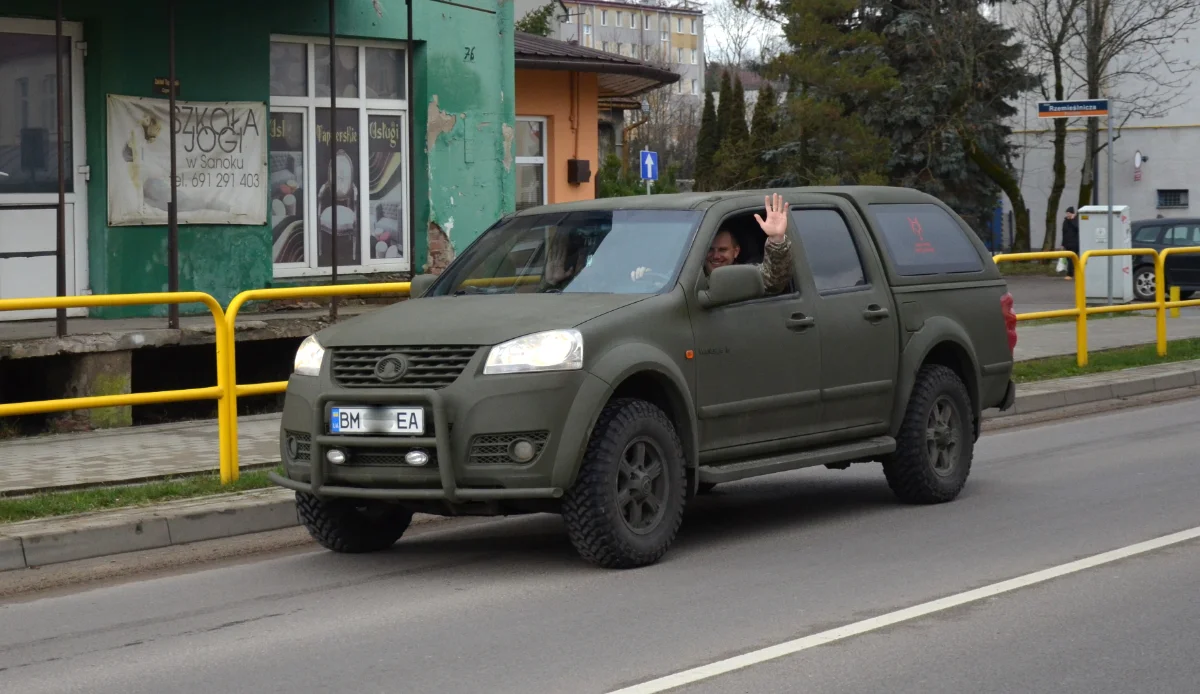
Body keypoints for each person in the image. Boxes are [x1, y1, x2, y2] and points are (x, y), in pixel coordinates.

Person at [631, 193, 794, 294]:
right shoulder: (690, 275)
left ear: (736, 251)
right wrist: (646, 278)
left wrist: (776, 239)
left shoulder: (745, 274)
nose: (716, 256)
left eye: (723, 250)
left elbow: (774, 281)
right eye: (710, 249)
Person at [1061, 206, 1080, 280]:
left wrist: (1072, 220)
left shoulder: (1076, 220)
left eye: (1069, 213)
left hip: (1074, 243)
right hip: (1067, 243)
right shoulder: (1065, 221)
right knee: (1068, 258)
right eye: (1067, 213)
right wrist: (1062, 244)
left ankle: (1070, 274)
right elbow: (1064, 233)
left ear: (1072, 213)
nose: (1067, 215)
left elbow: (1077, 228)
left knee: (1071, 258)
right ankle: (1075, 270)